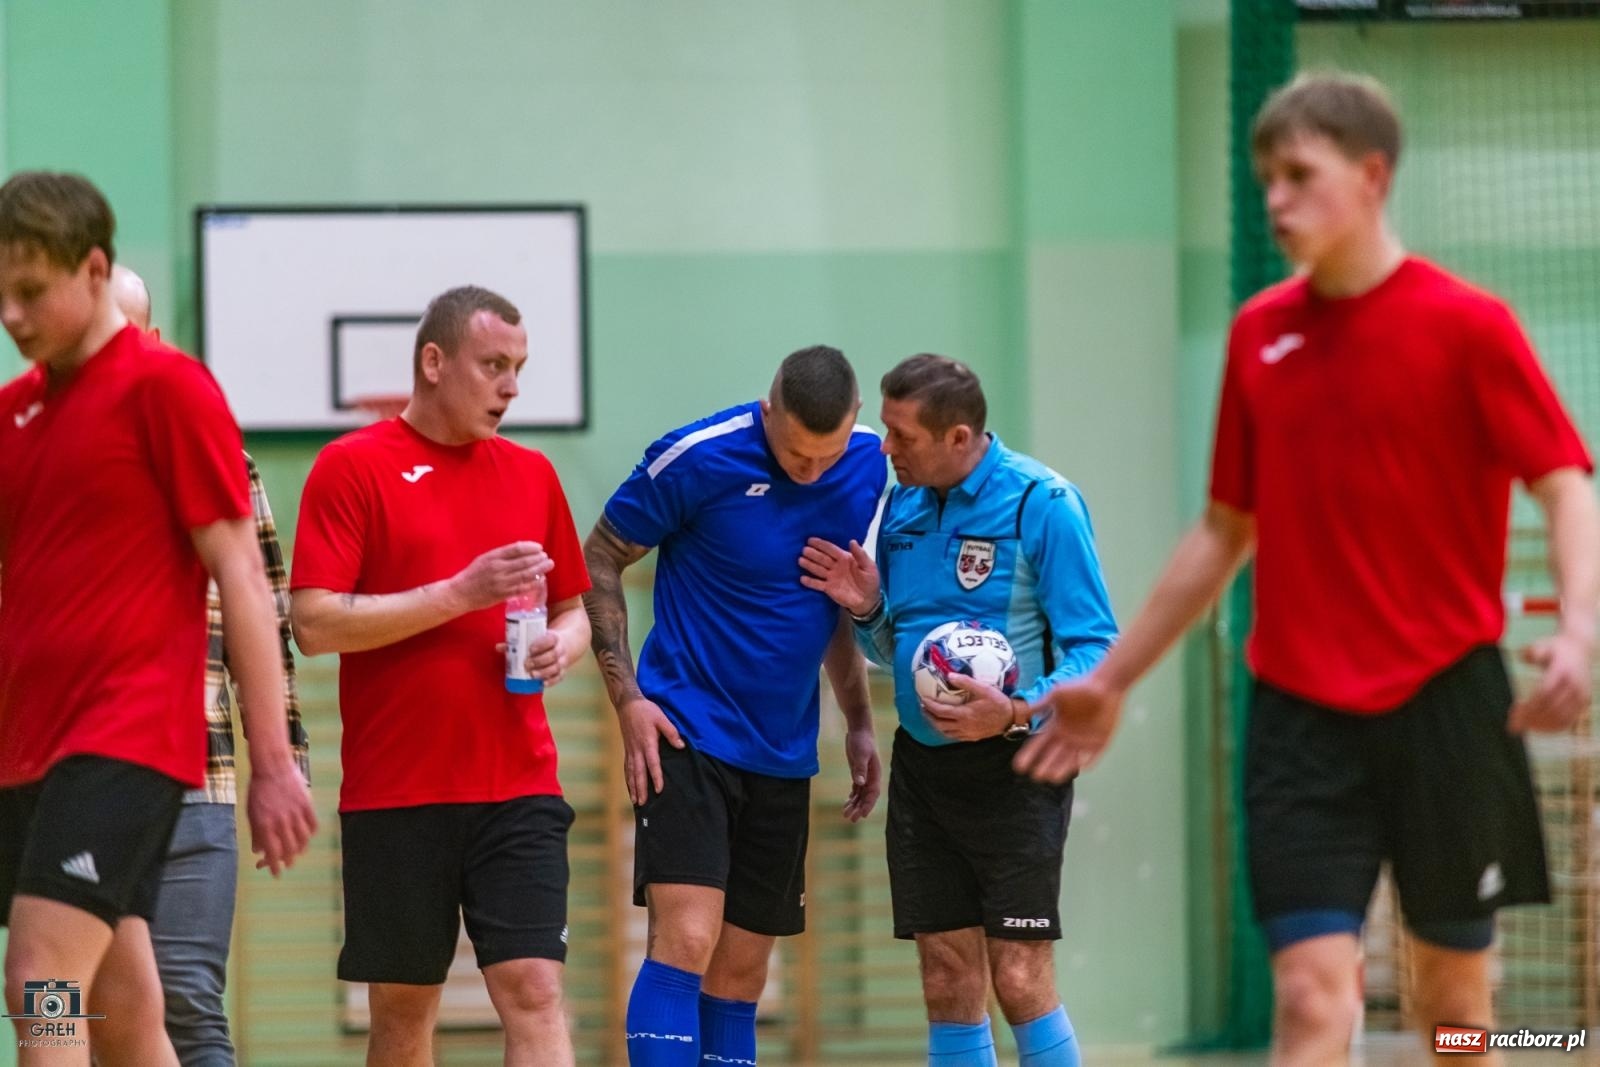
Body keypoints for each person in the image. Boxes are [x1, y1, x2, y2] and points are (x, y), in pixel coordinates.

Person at [1014, 73, 1600, 1064]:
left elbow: (1563, 481)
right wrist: (1108, 679)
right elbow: (1221, 530)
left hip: (1448, 702)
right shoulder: (1258, 336)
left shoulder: (1469, 326)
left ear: (1370, 176)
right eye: (1264, 179)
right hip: (1297, 715)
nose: (1274, 200)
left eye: (1298, 175)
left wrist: (1580, 628)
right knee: (1307, 997)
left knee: (1454, 1010)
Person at [0, 170, 316, 1067]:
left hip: (123, 737)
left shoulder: (166, 390)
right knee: (126, 1000)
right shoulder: (15, 415)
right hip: (28, 747)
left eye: (32, 292)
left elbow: (244, 580)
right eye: (0, 296)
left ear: (94, 269)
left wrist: (273, 762)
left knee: (39, 981)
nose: (13, 317)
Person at [290, 284, 590, 1067]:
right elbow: (315, 622)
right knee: (401, 1012)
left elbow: (575, 609)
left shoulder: (532, 473)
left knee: (535, 987)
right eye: (494, 363)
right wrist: (459, 593)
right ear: (433, 361)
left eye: (519, 367)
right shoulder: (350, 467)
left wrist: (565, 641)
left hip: (519, 785)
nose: (511, 386)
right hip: (398, 792)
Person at [797, 354, 1116, 1067]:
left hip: (1017, 766)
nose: (885, 448)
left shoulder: (1043, 503)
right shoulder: (903, 510)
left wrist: (1016, 708)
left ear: (960, 437)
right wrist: (869, 607)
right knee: (946, 978)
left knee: (1019, 976)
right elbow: (899, 645)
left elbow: (1098, 648)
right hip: (925, 773)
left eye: (902, 435)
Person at [583, 345, 886, 1066]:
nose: (809, 471)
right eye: (794, 453)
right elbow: (598, 555)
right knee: (687, 939)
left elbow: (835, 605)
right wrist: (626, 699)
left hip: (783, 750)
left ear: (855, 424)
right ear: (768, 407)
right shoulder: (694, 458)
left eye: (826, 455)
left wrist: (861, 720)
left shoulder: (871, 465)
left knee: (744, 971)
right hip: (687, 733)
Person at [100, 264, 312, 1067]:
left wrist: (280, 761)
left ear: (151, 340)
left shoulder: (217, 457)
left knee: (185, 994)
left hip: (196, 772)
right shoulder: (24, 448)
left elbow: (265, 612)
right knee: (54, 1000)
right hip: (58, 779)